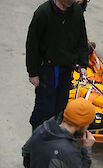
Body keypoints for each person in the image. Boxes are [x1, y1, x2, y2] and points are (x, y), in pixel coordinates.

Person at [26, 0, 88, 131]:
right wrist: (33, 73)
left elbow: (82, 38)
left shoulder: (76, 11)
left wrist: (83, 64)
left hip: (66, 69)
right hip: (47, 69)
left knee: (61, 105)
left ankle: (53, 137)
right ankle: (36, 141)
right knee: (44, 108)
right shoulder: (43, 13)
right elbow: (32, 44)